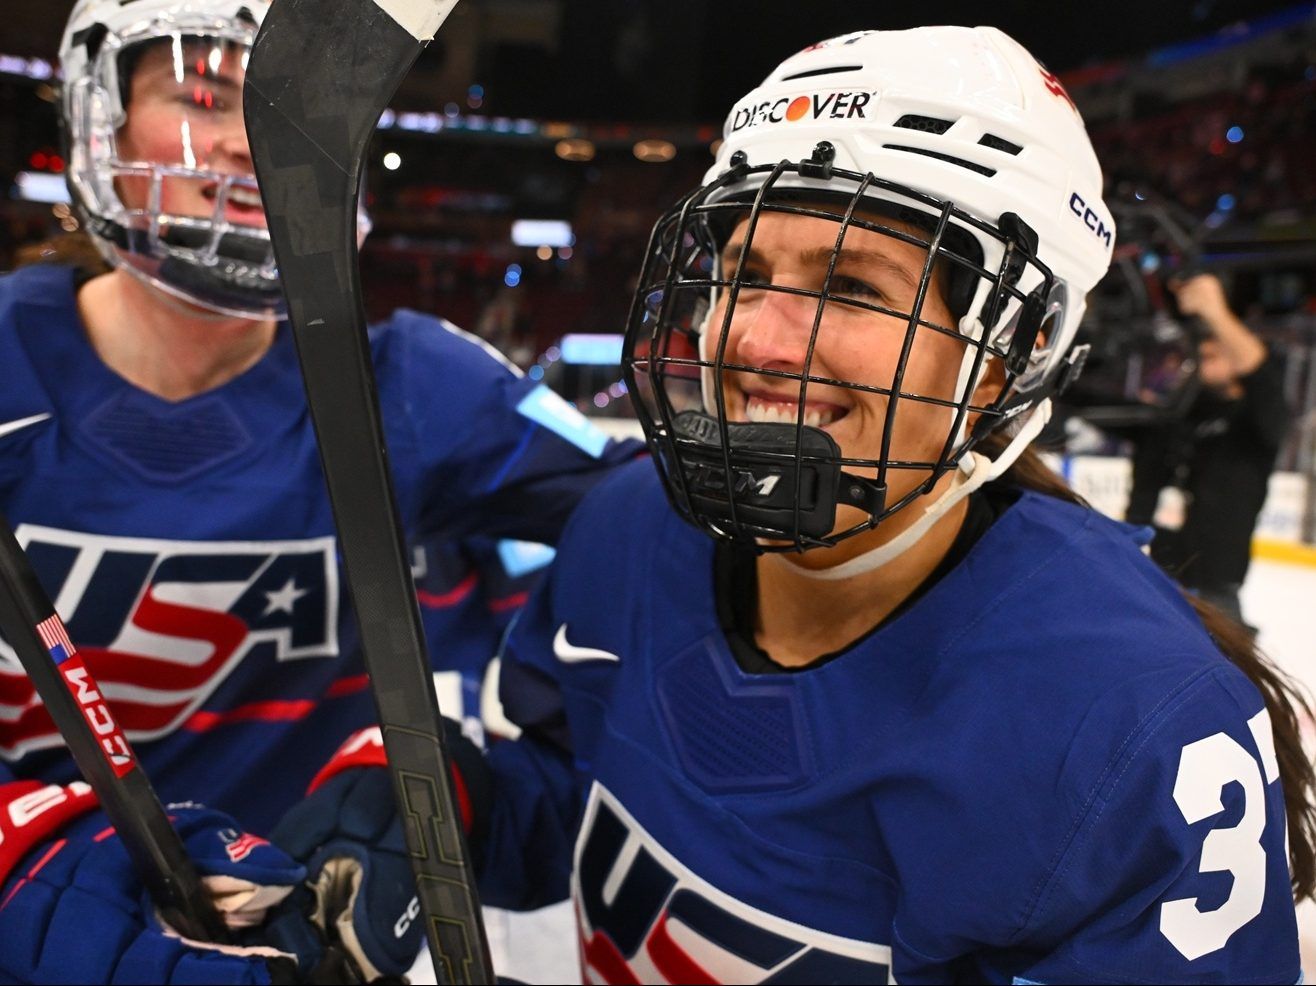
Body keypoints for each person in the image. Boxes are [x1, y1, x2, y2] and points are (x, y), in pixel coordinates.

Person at [401, 26, 1311, 984]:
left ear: (1009, 355)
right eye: (744, 276)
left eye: (850, 288)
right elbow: (578, 795)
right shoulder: (628, 526)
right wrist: (445, 805)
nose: (758, 340)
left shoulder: (1131, 722)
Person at [0, 0, 635, 982]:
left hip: (303, 932)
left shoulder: (413, 385)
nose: (253, 138)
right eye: (202, 96)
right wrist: (36, 862)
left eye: (294, 107)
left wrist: (471, 780)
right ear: (98, 116)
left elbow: (672, 525)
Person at [1127, 273, 1288, 627]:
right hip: (1153, 573)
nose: (1204, 359)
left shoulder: (1257, 421)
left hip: (1214, 589)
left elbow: (1262, 378)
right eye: (1201, 354)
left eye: (1215, 353)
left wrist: (1216, 313)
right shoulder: (1184, 413)